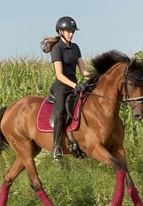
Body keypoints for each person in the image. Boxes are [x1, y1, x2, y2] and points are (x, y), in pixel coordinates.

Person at [50, 16, 90, 159]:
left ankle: (76, 141)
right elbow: (59, 75)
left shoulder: (75, 47)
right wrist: (74, 85)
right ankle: (56, 147)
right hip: (62, 86)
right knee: (61, 112)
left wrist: (90, 78)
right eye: (68, 31)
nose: (71, 34)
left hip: (74, 84)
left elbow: (83, 69)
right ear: (61, 31)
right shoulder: (56, 49)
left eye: (72, 31)